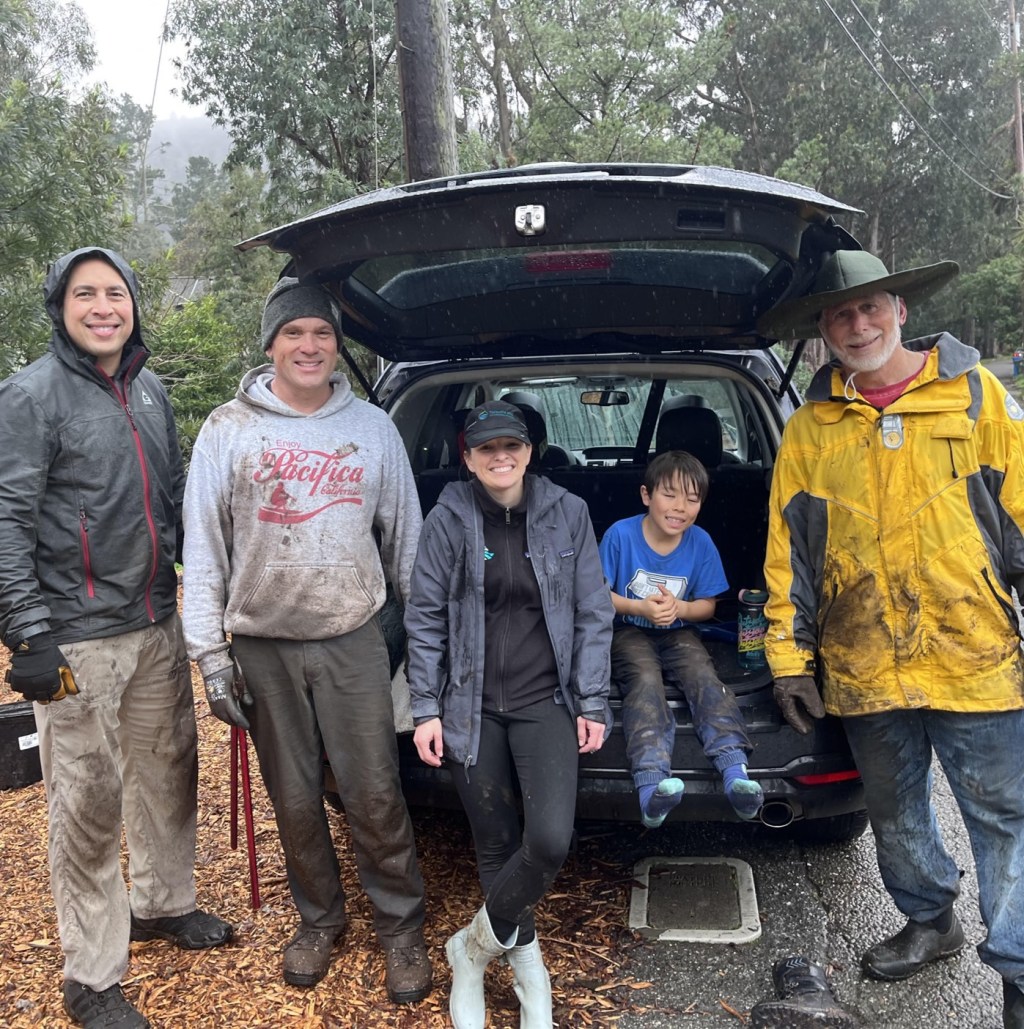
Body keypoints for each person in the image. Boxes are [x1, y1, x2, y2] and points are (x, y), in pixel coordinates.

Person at [757, 249, 1024, 1028]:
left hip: (974, 653)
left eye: (871, 306)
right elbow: (788, 554)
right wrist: (788, 658)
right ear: (824, 329)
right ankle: (930, 919)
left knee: (1004, 817)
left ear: (901, 310)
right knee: (895, 806)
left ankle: (1018, 971)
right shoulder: (809, 429)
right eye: (841, 313)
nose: (858, 323)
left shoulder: (975, 397)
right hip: (863, 659)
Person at [181, 277, 432, 1004]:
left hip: (353, 637)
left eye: (322, 332)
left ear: (336, 344)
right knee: (293, 798)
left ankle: (401, 927)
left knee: (374, 791)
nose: (309, 345)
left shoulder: (374, 428)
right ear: (270, 344)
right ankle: (319, 919)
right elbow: (204, 549)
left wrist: (428, 645)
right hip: (262, 646)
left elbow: (408, 541)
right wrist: (212, 658)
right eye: (294, 332)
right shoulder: (228, 429)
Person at [0, 247, 232, 1029]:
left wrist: (212, 589)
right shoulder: (30, 396)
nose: (103, 307)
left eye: (115, 292)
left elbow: (173, 500)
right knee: (87, 800)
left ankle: (163, 903)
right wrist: (28, 632)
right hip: (76, 640)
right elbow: (6, 518)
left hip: (155, 620)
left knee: (168, 772)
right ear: (60, 306)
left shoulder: (150, 390)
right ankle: (91, 974)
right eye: (85, 294)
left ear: (133, 303)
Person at [404, 400, 613, 1029]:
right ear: (467, 458)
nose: (501, 457)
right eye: (486, 448)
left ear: (529, 452)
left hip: (544, 699)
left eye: (511, 446)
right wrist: (424, 707)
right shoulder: (448, 518)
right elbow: (424, 617)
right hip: (468, 706)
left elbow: (592, 612)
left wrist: (592, 699)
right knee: (494, 841)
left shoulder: (567, 513)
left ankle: (470, 951)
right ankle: (528, 968)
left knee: (547, 841)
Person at [598, 449, 763, 828]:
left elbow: (708, 606)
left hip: (680, 631)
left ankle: (735, 773)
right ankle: (651, 787)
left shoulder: (700, 542)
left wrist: (681, 609)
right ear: (646, 495)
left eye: (692, 499)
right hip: (628, 630)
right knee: (644, 681)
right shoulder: (620, 535)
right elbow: (598, 596)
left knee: (705, 677)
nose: (680, 507)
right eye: (669, 495)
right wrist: (640, 608)